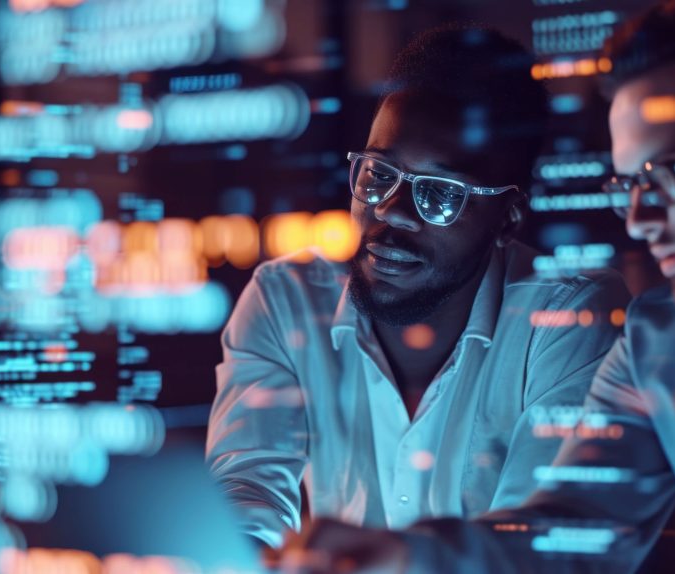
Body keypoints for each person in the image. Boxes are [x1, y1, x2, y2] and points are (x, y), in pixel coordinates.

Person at [285, 1, 675, 572]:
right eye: (628, 184)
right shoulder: (661, 347)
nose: (638, 218)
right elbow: (570, 529)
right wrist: (404, 556)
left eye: (664, 175)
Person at [205, 24, 631, 550]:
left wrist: (395, 560)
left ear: (508, 217)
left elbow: (541, 543)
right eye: (378, 174)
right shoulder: (285, 301)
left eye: (440, 193)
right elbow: (247, 490)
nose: (390, 211)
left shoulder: (569, 317)